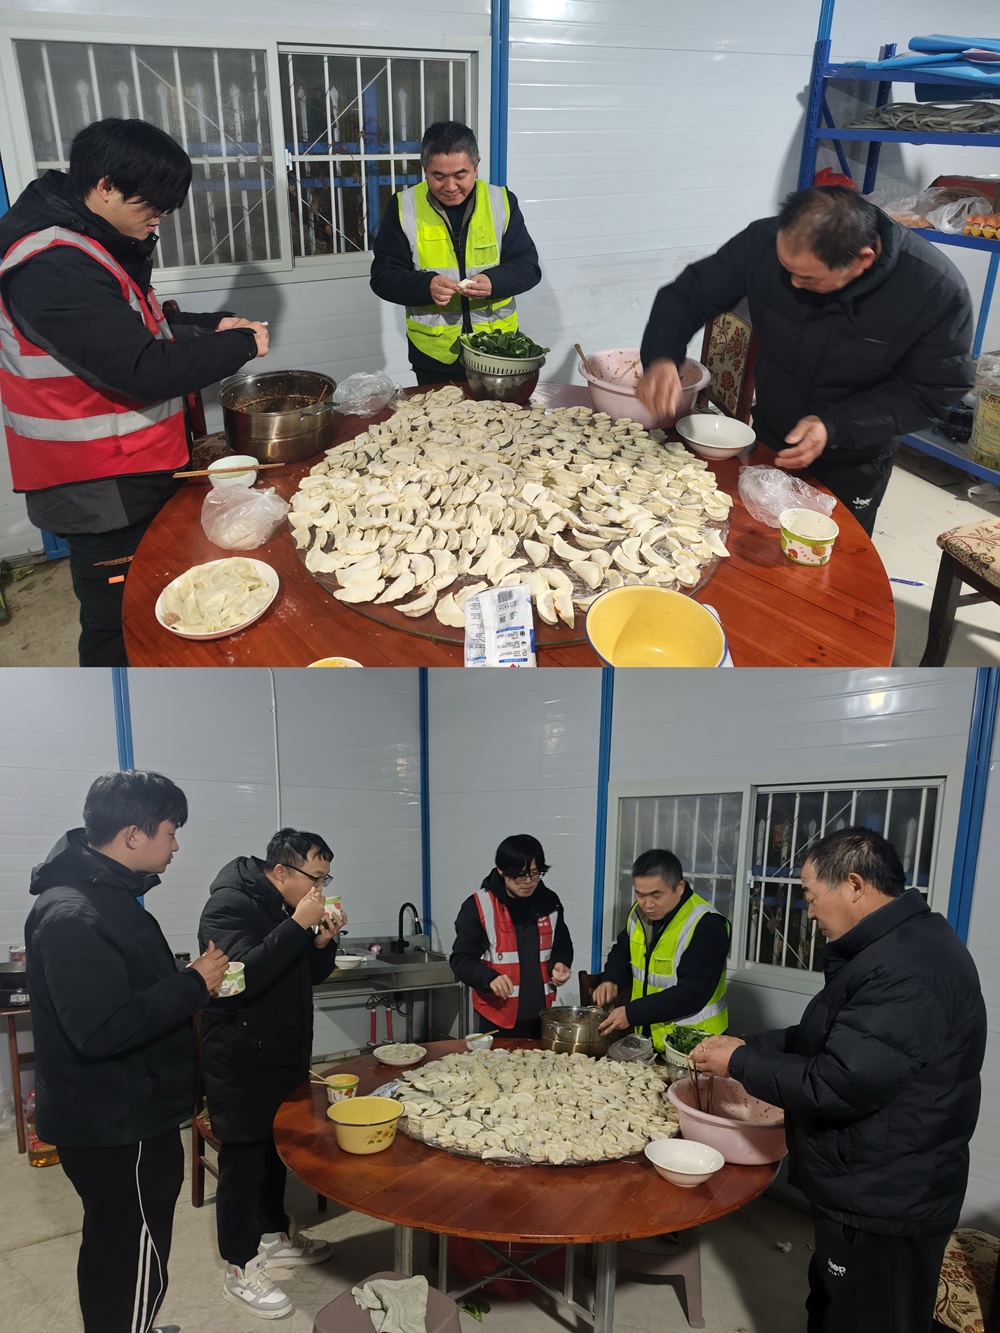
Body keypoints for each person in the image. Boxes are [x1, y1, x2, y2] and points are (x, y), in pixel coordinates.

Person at [692, 827, 987, 1333]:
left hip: (884, 1201)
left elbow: (837, 1082)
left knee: (864, 1317)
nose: (807, 912)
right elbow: (835, 1039)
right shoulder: (900, 945)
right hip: (873, 1184)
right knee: (834, 1308)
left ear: (853, 885)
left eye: (810, 896)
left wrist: (739, 1063)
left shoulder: (903, 971)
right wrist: (750, 1046)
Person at [0, 117, 270, 666]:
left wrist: (211, 326)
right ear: (105, 186)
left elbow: (132, 328)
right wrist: (239, 345)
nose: (159, 220)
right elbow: (141, 368)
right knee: (120, 623)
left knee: (161, 599)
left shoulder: (88, 237)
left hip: (130, 464)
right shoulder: (52, 264)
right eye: (153, 206)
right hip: (97, 482)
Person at [636, 185, 974, 534]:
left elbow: (934, 390)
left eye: (808, 277)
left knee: (828, 549)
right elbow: (689, 295)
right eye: (786, 269)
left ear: (863, 260)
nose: (794, 283)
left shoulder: (933, 289)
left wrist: (836, 425)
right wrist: (662, 356)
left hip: (856, 451)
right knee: (752, 534)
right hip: (773, 426)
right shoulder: (763, 242)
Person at [23, 770, 228, 1333]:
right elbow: (101, 1030)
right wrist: (194, 983)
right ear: (134, 834)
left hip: (125, 1112)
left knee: (116, 1247)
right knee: (132, 1251)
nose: (176, 845)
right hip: (117, 1124)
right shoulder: (74, 913)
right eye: (170, 831)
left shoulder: (106, 897)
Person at [196, 828, 345, 1319]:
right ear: (280, 870)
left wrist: (321, 941)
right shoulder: (227, 907)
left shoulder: (286, 907)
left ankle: (273, 1235)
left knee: (276, 1151)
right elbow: (239, 980)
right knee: (243, 1161)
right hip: (240, 1059)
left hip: (283, 1053)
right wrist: (299, 924)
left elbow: (306, 974)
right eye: (314, 878)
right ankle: (239, 1267)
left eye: (325, 880)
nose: (319, 889)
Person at [370, 120, 541, 385]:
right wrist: (425, 286)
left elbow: (528, 267)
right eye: (438, 176)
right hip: (434, 356)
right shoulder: (403, 207)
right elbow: (383, 277)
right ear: (424, 169)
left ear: (476, 166)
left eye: (460, 175)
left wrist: (494, 282)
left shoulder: (502, 202)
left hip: (498, 349)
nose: (450, 187)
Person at [593, 849, 730, 1050]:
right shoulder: (638, 914)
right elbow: (622, 950)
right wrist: (611, 979)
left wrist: (631, 1013)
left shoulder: (707, 924)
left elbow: (691, 994)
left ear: (679, 887)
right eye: (640, 895)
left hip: (695, 1044)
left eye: (656, 895)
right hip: (649, 1039)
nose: (647, 904)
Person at [450, 834, 573, 1038]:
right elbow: (461, 959)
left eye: (535, 874)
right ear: (501, 870)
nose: (528, 882)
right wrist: (489, 979)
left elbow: (562, 944)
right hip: (497, 1017)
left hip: (542, 1015)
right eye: (519, 876)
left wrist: (561, 963)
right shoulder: (480, 906)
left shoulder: (549, 902)